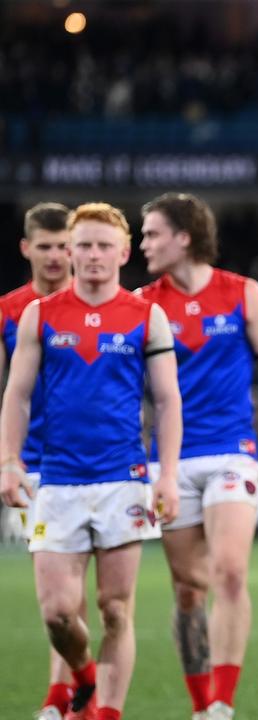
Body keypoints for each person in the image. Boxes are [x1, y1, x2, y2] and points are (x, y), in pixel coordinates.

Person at [1, 202, 182, 720]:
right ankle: (83, 676)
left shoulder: (147, 315)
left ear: (125, 252)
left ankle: (105, 712)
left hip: (123, 481)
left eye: (105, 245)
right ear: (70, 251)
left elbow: (168, 400)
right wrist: (8, 461)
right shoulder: (39, 314)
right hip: (56, 482)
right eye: (84, 245)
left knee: (114, 609)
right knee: (59, 613)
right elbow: (16, 395)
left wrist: (166, 473)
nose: (94, 255)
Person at [137, 193, 258, 720]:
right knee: (188, 589)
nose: (144, 243)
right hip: (169, 464)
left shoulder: (244, 295)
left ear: (184, 237)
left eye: (152, 233)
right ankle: (201, 706)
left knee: (228, 573)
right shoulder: (141, 304)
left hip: (232, 453)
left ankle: (222, 703)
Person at [0, 202, 88, 720]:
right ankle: (74, 688)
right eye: (46, 246)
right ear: (26, 248)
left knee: (88, 595)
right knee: (59, 590)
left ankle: (68, 695)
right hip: (35, 465)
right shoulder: (11, 311)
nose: (56, 257)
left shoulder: (103, 306)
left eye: (64, 246)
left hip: (95, 463)